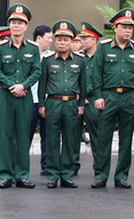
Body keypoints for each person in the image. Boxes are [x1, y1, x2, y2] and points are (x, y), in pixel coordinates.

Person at [91, 8, 134, 189]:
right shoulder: (104, 47)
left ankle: (122, 175)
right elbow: (96, 74)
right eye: (124, 27)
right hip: (109, 96)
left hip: (129, 97)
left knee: (126, 139)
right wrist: (98, 96)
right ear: (115, 27)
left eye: (130, 27)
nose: (128, 30)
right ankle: (101, 175)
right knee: (103, 138)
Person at [0, 3, 41, 189]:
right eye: (13, 22)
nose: (16, 25)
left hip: (25, 97)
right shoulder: (0, 48)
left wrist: (24, 86)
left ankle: (22, 175)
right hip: (5, 96)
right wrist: (13, 86)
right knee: (5, 135)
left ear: (26, 26)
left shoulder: (33, 49)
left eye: (20, 22)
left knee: (22, 136)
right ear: (9, 25)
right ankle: (6, 175)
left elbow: (37, 71)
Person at [38, 20, 86, 189]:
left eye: (66, 39)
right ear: (55, 41)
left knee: (70, 140)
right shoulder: (48, 60)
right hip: (53, 103)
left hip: (72, 104)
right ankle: (52, 175)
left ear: (72, 41)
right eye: (59, 39)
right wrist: (42, 104)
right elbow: (42, 84)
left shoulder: (80, 61)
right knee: (51, 140)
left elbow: (83, 84)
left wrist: (81, 104)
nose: (62, 42)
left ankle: (67, 175)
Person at [77, 21, 103, 167]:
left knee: (97, 137)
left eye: (85, 39)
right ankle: (72, 168)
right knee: (74, 136)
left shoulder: (102, 57)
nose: (81, 42)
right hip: (79, 100)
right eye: (81, 39)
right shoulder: (79, 57)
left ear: (94, 39)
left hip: (94, 100)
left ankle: (99, 168)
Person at [29, 25, 53, 175]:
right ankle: (21, 167)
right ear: (38, 38)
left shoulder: (52, 56)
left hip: (47, 101)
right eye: (48, 38)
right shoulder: (29, 54)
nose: (51, 41)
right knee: (26, 135)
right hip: (30, 101)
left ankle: (46, 166)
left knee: (48, 135)